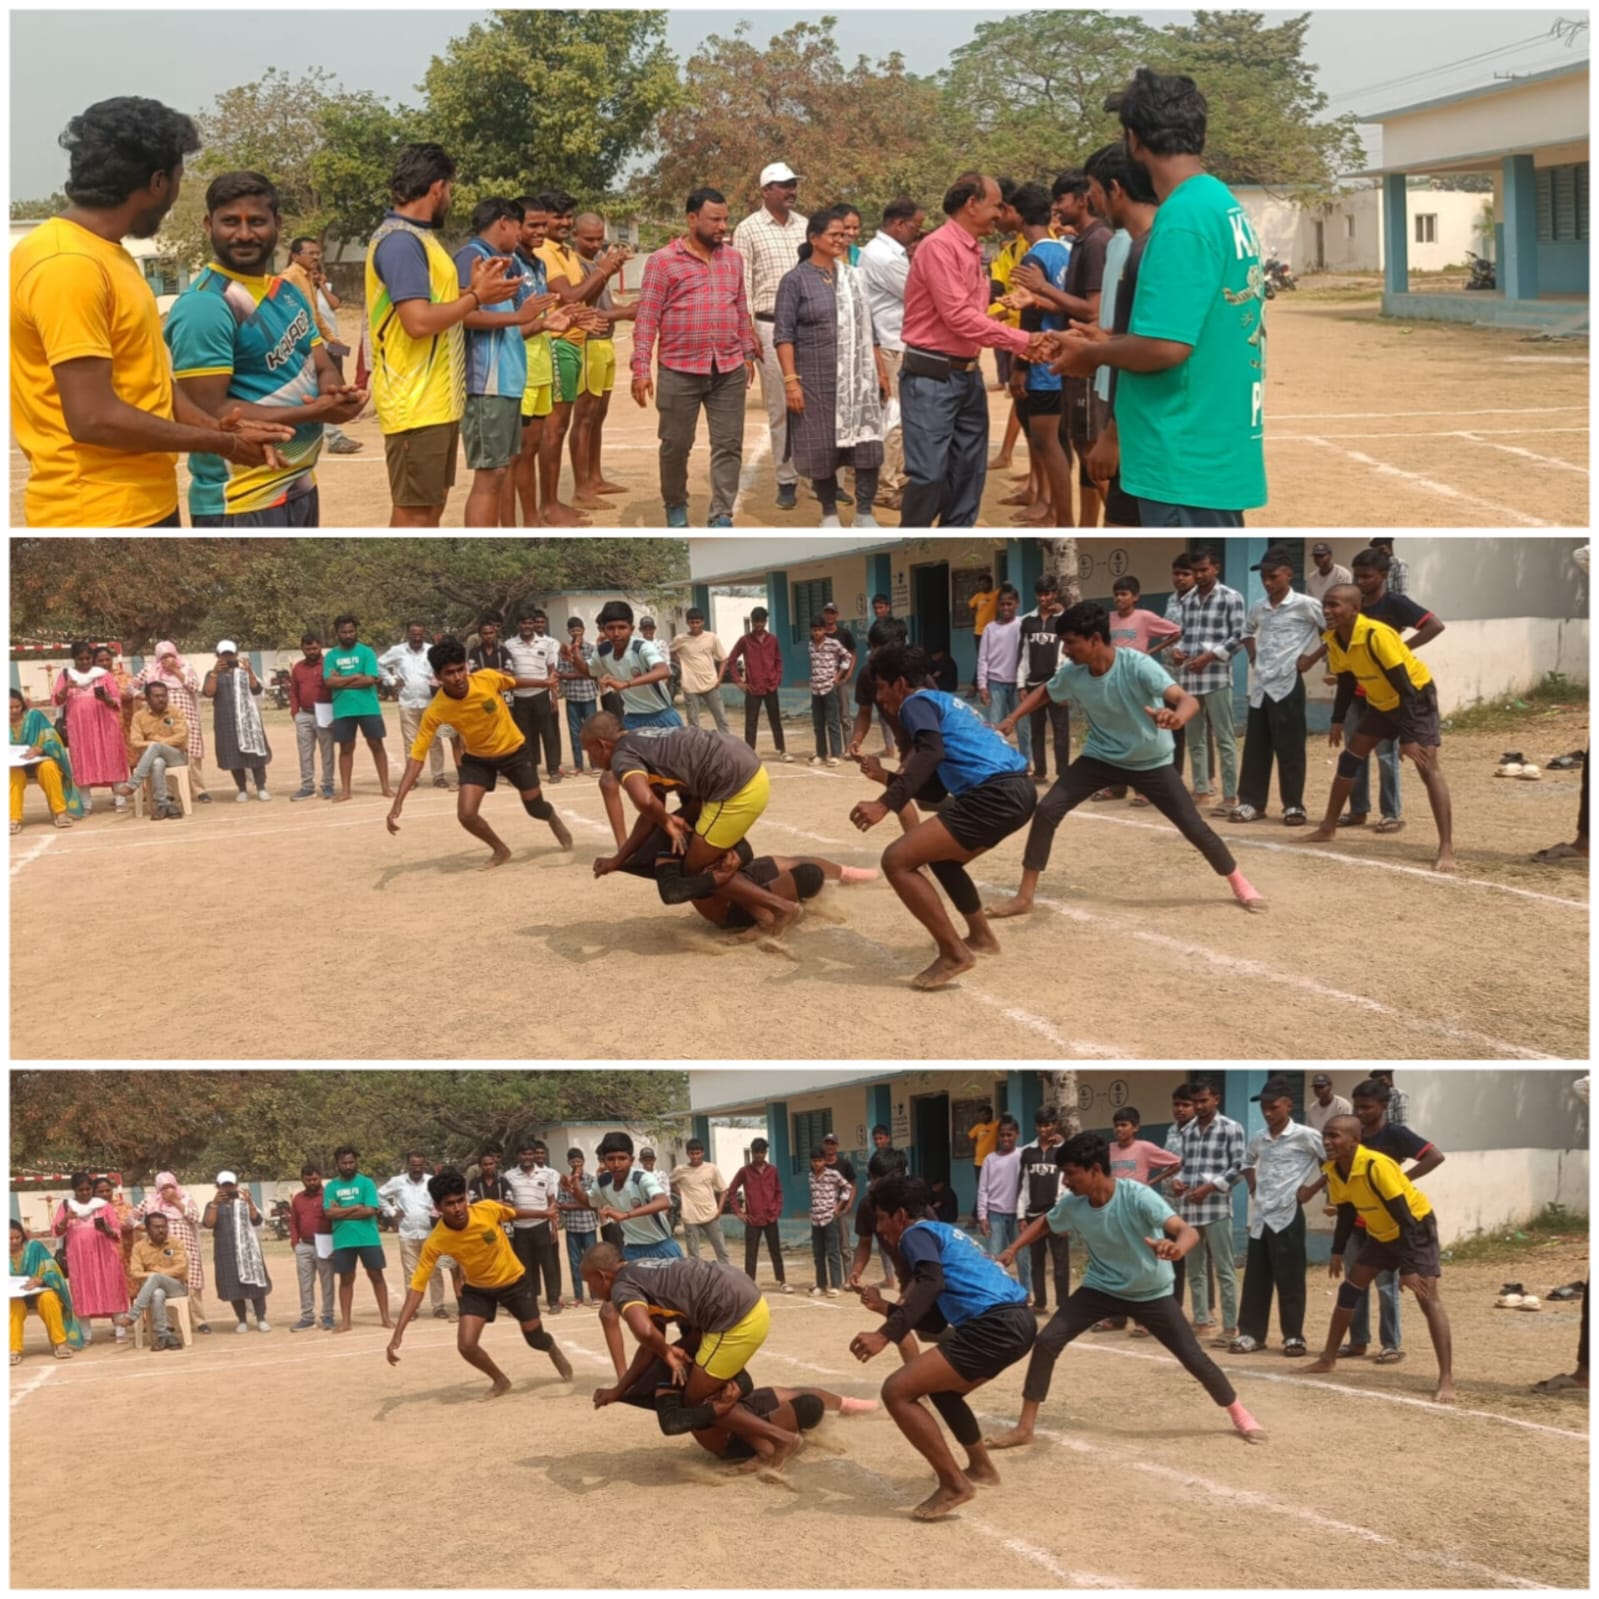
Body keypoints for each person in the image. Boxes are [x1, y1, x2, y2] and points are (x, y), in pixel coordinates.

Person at [10, 96, 293, 526]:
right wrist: (223, 447)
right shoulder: (67, 265)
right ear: (159, 181)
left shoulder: (106, 254)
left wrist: (216, 430)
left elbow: (147, 380)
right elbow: (93, 418)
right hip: (97, 514)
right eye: (179, 180)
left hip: (144, 502)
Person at [1047, 70, 1266, 527]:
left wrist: (1093, 354)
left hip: (1182, 456)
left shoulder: (1181, 220)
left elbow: (1166, 347)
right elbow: (1190, 326)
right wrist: (1108, 340)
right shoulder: (1219, 203)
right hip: (1211, 447)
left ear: (1134, 140)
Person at [984, 1134, 1265, 1450]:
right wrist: (1010, 1249)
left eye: (1071, 1173)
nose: (1065, 1181)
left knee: (1192, 1356)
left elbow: (1186, 1231)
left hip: (1151, 1291)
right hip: (1100, 1287)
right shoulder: (1075, 1205)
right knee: (1047, 1341)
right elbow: (1046, 1222)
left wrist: (1176, 1248)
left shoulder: (1137, 1196)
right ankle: (1025, 1427)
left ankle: (1239, 1413)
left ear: (1094, 1170)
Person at [987, 602, 1264, 919]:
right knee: (1048, 810)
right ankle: (1025, 897)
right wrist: (1011, 718)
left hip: (1151, 760)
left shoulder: (1137, 665)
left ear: (1094, 639)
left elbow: (1186, 700)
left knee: (1192, 825)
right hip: (1100, 757)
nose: (1065, 651)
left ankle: (1239, 882)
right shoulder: (1075, 673)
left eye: (1070, 643)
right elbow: (1047, 691)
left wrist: (1176, 718)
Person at [164, 171, 365, 526]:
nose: (244, 234)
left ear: (277, 224)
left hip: (300, 485)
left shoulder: (286, 292)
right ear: (208, 225)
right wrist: (315, 411)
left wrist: (336, 395)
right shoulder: (206, 305)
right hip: (241, 501)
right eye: (230, 222)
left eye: (256, 221)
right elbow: (210, 410)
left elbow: (320, 364)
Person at [849, 1175, 1038, 1520]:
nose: (881, 1229)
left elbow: (931, 1283)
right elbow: (934, 1323)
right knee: (943, 1390)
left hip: (994, 1325)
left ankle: (954, 1484)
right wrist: (885, 1308)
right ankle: (980, 1468)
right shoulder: (943, 1234)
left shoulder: (914, 1235)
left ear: (901, 1214)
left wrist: (884, 1334)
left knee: (896, 1391)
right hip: (1018, 1322)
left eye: (881, 1219)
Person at [851, 644, 1038, 987]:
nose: (879, 698)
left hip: (994, 794)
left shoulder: (915, 704)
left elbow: (931, 753)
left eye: (881, 687)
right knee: (943, 859)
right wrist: (885, 777)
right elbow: (934, 792)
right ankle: (981, 938)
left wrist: (885, 803)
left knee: (896, 860)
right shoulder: (943, 704)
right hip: (1018, 792)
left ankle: (954, 953)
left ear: (901, 683)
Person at [364, 143, 519, 527]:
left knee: (429, 511)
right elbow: (417, 322)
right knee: (415, 516)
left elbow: (436, 308)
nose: (449, 197)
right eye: (449, 189)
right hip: (414, 404)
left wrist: (473, 293)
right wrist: (476, 298)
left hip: (436, 402)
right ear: (437, 187)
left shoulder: (421, 239)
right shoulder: (402, 242)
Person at [897, 175, 1043, 527]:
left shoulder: (971, 249)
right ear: (971, 204)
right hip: (932, 376)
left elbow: (969, 314)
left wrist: (1012, 304)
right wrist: (1025, 341)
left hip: (966, 375)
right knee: (929, 475)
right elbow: (959, 318)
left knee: (968, 474)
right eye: (996, 205)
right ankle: (913, 536)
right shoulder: (939, 247)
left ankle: (952, 536)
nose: (1001, 213)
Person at [584, 1244, 800, 1466]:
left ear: (602, 1276)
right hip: (744, 1299)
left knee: (696, 1399)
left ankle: (781, 1439)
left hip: (736, 1317)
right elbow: (651, 1342)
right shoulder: (639, 1269)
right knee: (706, 1391)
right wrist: (619, 1390)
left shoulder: (622, 1287)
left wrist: (667, 1352)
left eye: (588, 1282)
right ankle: (763, 1448)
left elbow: (645, 1332)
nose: (590, 1290)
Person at [585, 714, 799, 935]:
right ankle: (763, 915)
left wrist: (667, 822)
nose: (589, 758)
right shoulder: (639, 738)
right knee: (706, 858)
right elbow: (651, 812)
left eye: (587, 751)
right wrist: (618, 859)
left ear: (600, 745)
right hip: (745, 768)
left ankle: (781, 908)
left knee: (696, 867)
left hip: (736, 786)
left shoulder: (622, 757)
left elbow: (645, 801)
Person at [1304, 585, 1455, 872]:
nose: (1327, 611)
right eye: (1325, 605)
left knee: (1427, 765)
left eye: (1334, 605)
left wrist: (1407, 738)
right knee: (1349, 759)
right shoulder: (1333, 639)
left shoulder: (1377, 634)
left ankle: (1446, 847)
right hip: (1382, 701)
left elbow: (1408, 690)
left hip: (1416, 697)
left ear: (1354, 609)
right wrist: (1337, 719)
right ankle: (1327, 828)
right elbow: (1347, 681)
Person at [630, 188, 758, 528]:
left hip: (727, 368)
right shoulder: (662, 261)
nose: (722, 227)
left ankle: (722, 514)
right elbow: (646, 319)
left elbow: (740, 308)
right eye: (714, 219)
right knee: (675, 445)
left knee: (729, 445)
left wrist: (747, 352)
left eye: (725, 219)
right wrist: (641, 368)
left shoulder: (733, 259)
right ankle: (675, 505)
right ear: (691, 219)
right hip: (679, 370)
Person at [386, 637, 572, 869]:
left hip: (513, 750)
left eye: (460, 669)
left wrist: (545, 683)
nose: (457, 677)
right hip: (478, 759)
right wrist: (398, 801)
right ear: (438, 676)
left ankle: (552, 817)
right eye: (449, 673)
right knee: (466, 814)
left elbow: (512, 682)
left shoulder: (486, 679)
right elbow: (417, 757)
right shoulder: (436, 709)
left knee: (535, 808)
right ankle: (500, 849)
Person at [386, 1170, 573, 1397]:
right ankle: (500, 1380)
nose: (457, 1208)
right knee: (466, 1345)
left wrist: (544, 1213)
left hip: (513, 1281)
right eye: (449, 1204)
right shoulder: (436, 1240)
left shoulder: (486, 1210)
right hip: (478, 1290)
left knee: (535, 1339)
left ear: (466, 1197)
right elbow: (416, 1289)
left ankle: (551, 1348)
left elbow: (512, 1213)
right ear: (437, 1206)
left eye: (460, 1200)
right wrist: (398, 1333)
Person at [1306, 1116, 1454, 1403]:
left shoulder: (1376, 1165)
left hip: (1416, 1227)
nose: (1327, 1141)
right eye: (1325, 1135)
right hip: (1382, 1231)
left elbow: (1407, 1220)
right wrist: (1337, 1250)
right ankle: (1327, 1359)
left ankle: (1446, 1377)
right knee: (1349, 1290)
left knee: (1427, 1296)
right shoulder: (1333, 1170)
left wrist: (1408, 1269)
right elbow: (1347, 1212)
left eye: (1334, 1136)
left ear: (1355, 1141)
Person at [454, 197, 569, 527]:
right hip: (486, 381)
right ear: (505, 222)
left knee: (500, 470)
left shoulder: (501, 261)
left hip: (506, 380)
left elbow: (512, 325)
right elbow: (463, 314)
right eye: (521, 225)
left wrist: (543, 323)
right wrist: (519, 317)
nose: (521, 234)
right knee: (489, 477)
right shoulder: (471, 257)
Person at [774, 210, 887, 528]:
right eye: (834, 235)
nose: (842, 239)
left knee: (866, 446)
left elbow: (870, 329)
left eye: (845, 235)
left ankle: (864, 512)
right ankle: (828, 513)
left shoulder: (853, 277)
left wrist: (879, 370)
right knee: (821, 446)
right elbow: (783, 335)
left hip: (858, 379)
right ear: (813, 239)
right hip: (815, 379)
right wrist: (791, 382)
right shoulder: (795, 281)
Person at [1334, 547, 1446, 834]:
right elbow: (1342, 656)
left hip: (1401, 689)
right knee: (1354, 753)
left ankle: (1391, 813)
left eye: (1367, 576)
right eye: (1357, 576)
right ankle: (1356, 811)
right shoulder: (1351, 606)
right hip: (1367, 692)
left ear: (1384, 576)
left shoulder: (1394, 604)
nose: (1361, 581)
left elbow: (1435, 625)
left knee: (1392, 756)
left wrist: (1401, 650)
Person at [536, 192, 619, 525]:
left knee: (578, 421)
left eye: (567, 216)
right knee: (555, 429)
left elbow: (585, 300)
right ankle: (553, 502)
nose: (564, 222)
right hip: (558, 344)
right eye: (558, 217)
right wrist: (602, 271)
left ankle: (562, 497)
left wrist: (604, 275)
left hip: (576, 342)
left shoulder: (565, 253)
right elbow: (568, 297)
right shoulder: (545, 253)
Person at [1227, 1079, 1325, 1355]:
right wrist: (1253, 1185)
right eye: (1264, 1108)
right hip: (1261, 1218)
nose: (1268, 1113)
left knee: (1290, 1278)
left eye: (1273, 1107)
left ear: (1288, 1105)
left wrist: (1312, 1189)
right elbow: (1246, 1162)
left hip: (1288, 1215)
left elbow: (1333, 1161)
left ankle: (1293, 1336)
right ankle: (1251, 1334)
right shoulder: (1259, 1138)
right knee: (1256, 1278)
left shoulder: (1306, 1135)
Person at [730, 162, 806, 513]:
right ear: (765, 190)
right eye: (783, 185)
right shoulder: (748, 229)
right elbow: (741, 283)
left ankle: (821, 477)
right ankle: (786, 478)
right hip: (769, 325)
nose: (790, 190)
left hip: (809, 325)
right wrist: (747, 332)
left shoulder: (806, 226)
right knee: (780, 406)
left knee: (818, 402)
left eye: (793, 185)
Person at [1230, 547, 1325, 825]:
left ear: (1288, 574)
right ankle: (1251, 803)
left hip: (1288, 684)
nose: (1268, 582)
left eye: (1273, 576)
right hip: (1261, 687)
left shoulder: (1306, 605)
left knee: (1290, 747)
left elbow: (1333, 631)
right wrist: (1252, 654)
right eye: (1264, 578)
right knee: (1255, 748)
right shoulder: (1259, 607)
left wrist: (1311, 658)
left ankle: (1293, 805)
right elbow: (1247, 632)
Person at [858, 197, 925, 509]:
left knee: (892, 416)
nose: (916, 234)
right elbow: (920, 295)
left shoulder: (879, 251)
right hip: (891, 344)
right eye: (915, 227)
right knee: (893, 418)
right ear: (899, 223)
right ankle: (885, 487)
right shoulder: (887, 258)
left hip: (891, 342)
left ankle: (892, 477)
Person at [1166, 547, 1244, 815]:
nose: (1199, 575)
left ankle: (1230, 796)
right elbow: (1185, 636)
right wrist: (1179, 653)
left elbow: (1239, 638)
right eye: (1196, 570)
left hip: (1216, 677)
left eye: (1203, 570)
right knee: (1194, 737)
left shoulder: (1231, 598)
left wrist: (1210, 656)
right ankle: (1201, 791)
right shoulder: (1186, 601)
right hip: (1189, 677)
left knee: (1223, 738)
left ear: (1216, 569)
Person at [1168, 1081, 1244, 1342]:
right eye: (1196, 1102)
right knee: (1195, 1268)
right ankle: (1201, 1321)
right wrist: (1177, 1181)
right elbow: (1184, 1165)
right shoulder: (1187, 1132)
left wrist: (1210, 1187)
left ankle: (1230, 1327)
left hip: (1217, 1208)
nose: (1199, 1106)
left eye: (1204, 1101)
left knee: (1224, 1269)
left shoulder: (1231, 1128)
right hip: (1190, 1209)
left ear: (1216, 1100)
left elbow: (1239, 1169)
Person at [281, 235, 362, 455]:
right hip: (302, 345)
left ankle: (328, 435)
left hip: (316, 341)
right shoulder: (289, 278)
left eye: (318, 253)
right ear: (295, 256)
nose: (316, 257)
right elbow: (291, 315)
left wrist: (333, 339)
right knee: (319, 389)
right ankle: (331, 437)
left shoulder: (309, 279)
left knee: (322, 387)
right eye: (311, 253)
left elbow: (315, 314)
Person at [51, 1173, 130, 1342]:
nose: (85, 1193)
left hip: (105, 1255)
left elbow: (116, 1231)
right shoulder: (66, 1207)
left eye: (88, 1189)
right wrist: (66, 1219)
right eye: (81, 1190)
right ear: (74, 1190)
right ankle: (86, 1335)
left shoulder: (103, 1206)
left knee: (112, 1289)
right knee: (83, 1292)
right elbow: (56, 1231)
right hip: (79, 1258)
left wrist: (106, 1229)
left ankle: (120, 1332)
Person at [130, 1171, 211, 1333]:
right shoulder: (151, 1202)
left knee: (192, 1287)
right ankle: (169, 1324)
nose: (167, 1191)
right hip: (160, 1250)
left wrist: (175, 1201)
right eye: (163, 1188)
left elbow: (195, 1218)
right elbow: (131, 1217)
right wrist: (140, 1227)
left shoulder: (185, 1199)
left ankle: (199, 1321)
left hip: (186, 1249)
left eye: (170, 1187)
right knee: (161, 1286)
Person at [52, 641, 129, 809]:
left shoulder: (103, 675)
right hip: (79, 727)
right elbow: (57, 700)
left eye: (88, 658)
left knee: (112, 758)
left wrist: (105, 698)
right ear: (74, 659)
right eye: (81, 659)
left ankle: (120, 800)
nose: (85, 662)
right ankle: (86, 804)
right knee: (83, 760)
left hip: (106, 724)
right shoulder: (66, 675)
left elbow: (116, 700)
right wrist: (66, 688)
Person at [322, 615, 390, 803]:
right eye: (344, 632)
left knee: (376, 745)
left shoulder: (366, 652)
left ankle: (385, 787)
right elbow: (329, 682)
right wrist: (355, 677)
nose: (348, 635)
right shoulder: (331, 656)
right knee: (346, 748)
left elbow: (370, 679)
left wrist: (341, 680)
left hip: (368, 707)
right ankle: (345, 791)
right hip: (343, 709)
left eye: (351, 631)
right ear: (337, 633)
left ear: (356, 631)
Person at [324, 1146, 392, 1333]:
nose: (348, 1166)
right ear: (337, 1164)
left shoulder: (366, 1183)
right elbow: (329, 1213)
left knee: (376, 1275)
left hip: (368, 1239)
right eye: (344, 1162)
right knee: (346, 1279)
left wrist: (342, 1211)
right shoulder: (331, 1186)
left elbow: (370, 1210)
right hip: (343, 1240)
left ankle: (386, 1318)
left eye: (351, 1162)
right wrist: (355, 1207)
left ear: (356, 1162)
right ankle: (346, 1322)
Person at [379, 1152, 452, 1323]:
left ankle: (438, 1306)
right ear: (408, 1165)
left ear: (425, 1165)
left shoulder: (432, 1181)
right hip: (407, 1232)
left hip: (430, 1233)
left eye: (420, 1165)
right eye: (413, 1165)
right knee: (411, 1273)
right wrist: (391, 1212)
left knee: (435, 1271)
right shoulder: (398, 1181)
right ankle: (413, 1308)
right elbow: (379, 1195)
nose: (417, 1168)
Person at [133, 643, 212, 800]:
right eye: (163, 657)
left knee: (192, 755)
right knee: (163, 751)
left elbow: (194, 687)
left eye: (171, 656)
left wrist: (175, 671)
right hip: (160, 718)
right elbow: (131, 686)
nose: (167, 659)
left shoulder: (185, 668)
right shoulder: (150, 670)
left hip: (187, 717)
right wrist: (140, 695)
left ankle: (199, 790)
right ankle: (169, 793)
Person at [589, 1131, 681, 1262]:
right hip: (633, 1248)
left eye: (621, 1158)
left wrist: (626, 1215)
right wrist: (574, 1187)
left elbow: (664, 1202)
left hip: (661, 1245)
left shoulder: (642, 1178)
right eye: (611, 1159)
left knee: (673, 1281)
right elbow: (589, 1201)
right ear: (603, 1161)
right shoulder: (603, 1182)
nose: (616, 1164)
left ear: (631, 1160)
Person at [375, 623, 447, 791]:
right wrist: (391, 680)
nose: (417, 638)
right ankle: (413, 777)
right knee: (411, 743)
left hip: (430, 702)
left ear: (424, 634)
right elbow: (379, 664)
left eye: (420, 634)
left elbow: (441, 668)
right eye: (413, 634)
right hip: (407, 702)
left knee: (434, 740)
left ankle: (439, 776)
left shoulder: (432, 650)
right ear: (407, 634)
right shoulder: (397, 650)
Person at [592, 600, 681, 730]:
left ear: (632, 629)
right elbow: (591, 670)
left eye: (621, 627)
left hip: (660, 713)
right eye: (610, 628)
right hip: (632, 715)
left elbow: (664, 671)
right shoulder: (604, 651)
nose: (616, 633)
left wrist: (626, 684)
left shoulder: (643, 646)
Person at [1017, 578, 1070, 785]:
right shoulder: (1027, 621)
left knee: (1061, 731)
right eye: (1040, 594)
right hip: (1033, 685)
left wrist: (1067, 686)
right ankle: (1040, 771)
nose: (1044, 598)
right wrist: (1021, 684)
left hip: (1058, 684)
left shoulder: (1064, 620)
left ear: (1055, 594)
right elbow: (1022, 654)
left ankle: (1063, 773)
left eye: (1048, 594)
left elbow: (1069, 654)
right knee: (1036, 731)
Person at [203, 1172, 271, 1333]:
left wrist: (249, 1203)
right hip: (226, 1251)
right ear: (218, 1187)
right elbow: (208, 1223)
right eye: (223, 1186)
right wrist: (214, 1204)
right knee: (234, 1285)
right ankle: (242, 1320)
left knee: (255, 1285)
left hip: (248, 1250)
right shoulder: (212, 1205)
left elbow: (257, 1220)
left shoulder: (244, 1202)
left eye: (230, 1185)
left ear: (236, 1185)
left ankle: (261, 1318)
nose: (228, 1188)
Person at [9, 1220, 84, 1363]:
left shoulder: (35, 1248)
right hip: (13, 1296)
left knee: (48, 1298)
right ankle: (13, 1349)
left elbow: (53, 1270)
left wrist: (41, 1279)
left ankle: (60, 1343)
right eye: (9, 1239)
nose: (14, 1242)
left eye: (17, 1237)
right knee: (13, 1305)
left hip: (38, 1291)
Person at [9, 688, 83, 833]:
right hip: (14, 765)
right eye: (9, 708)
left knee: (49, 767)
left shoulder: (34, 717)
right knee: (12, 774)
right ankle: (13, 818)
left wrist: (40, 748)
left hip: (39, 760)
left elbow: (53, 740)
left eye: (17, 706)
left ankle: (60, 812)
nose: (14, 711)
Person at [504, 1140, 565, 1314]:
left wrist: (554, 1227)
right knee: (524, 1267)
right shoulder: (509, 1175)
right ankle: (528, 1300)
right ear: (518, 1156)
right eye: (523, 1154)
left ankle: (553, 1300)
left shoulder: (546, 1174)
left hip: (541, 1226)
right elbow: (509, 1204)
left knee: (548, 1264)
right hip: (519, 1227)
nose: (527, 1157)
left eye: (530, 1154)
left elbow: (552, 1201)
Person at [1018, 1108, 1069, 1313]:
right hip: (1033, 1215)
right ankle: (1040, 1303)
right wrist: (1021, 1215)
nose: (1044, 1129)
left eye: (1047, 1125)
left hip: (1057, 1214)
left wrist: (1067, 1217)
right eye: (1040, 1125)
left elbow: (1068, 1185)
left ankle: (1063, 1304)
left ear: (1055, 1125)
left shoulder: (1064, 1151)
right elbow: (1022, 1185)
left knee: (1061, 1262)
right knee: (1036, 1261)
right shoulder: (1027, 1152)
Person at [115, 1213, 189, 1350]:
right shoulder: (139, 1247)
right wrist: (155, 1276)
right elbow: (135, 1273)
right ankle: (162, 1334)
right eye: (156, 1227)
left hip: (176, 1286)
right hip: (151, 1289)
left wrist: (157, 1275)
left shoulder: (176, 1243)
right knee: (157, 1293)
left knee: (155, 1278)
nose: (161, 1230)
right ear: (147, 1229)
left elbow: (181, 1267)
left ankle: (133, 1315)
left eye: (164, 1227)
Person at [114, 681, 188, 818]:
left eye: (164, 696)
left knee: (156, 747)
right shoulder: (139, 716)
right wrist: (156, 746)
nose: (161, 699)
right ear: (147, 698)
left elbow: (181, 736)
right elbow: (135, 742)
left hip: (176, 755)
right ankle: (162, 803)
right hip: (152, 758)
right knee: (157, 762)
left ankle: (133, 784)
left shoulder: (175, 712)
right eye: (157, 696)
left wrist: (158, 744)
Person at [507, 608, 565, 780]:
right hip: (520, 697)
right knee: (525, 736)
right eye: (523, 623)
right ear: (518, 625)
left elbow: (552, 670)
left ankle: (553, 769)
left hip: (541, 695)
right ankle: (529, 769)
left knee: (548, 733)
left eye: (530, 622)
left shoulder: (546, 643)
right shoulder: (509, 645)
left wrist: (554, 696)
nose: (527, 626)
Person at [723, 608, 788, 759]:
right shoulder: (745, 640)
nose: (759, 625)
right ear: (752, 621)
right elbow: (731, 660)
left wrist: (777, 678)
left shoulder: (773, 640)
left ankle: (781, 750)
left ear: (766, 621)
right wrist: (738, 681)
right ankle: (749, 752)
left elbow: (778, 661)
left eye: (762, 621)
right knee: (751, 721)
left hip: (770, 686)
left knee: (775, 719)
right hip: (752, 687)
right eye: (756, 621)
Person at [724, 1139, 787, 1290]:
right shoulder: (745, 1171)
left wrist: (777, 1209)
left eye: (762, 1152)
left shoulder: (773, 1170)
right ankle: (749, 1282)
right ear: (752, 1153)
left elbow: (778, 1191)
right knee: (751, 1252)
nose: (759, 1155)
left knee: (775, 1250)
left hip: (770, 1217)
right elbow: (731, 1191)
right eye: (756, 1152)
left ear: (766, 1153)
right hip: (752, 1218)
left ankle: (782, 1280)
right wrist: (738, 1212)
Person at [976, 586, 1028, 765]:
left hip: (1018, 685)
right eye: (1003, 604)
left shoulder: (1022, 624)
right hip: (995, 683)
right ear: (998, 606)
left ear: (1017, 604)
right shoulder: (990, 628)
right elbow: (983, 658)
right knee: (995, 726)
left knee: (1022, 727)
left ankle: (1026, 761)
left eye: (1010, 604)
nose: (1006, 608)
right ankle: (995, 762)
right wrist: (982, 685)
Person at [975, 1117, 1027, 1291]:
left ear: (1017, 1135)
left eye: (1009, 1135)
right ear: (998, 1137)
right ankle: (997, 1292)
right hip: (995, 1214)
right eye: (1002, 1135)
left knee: (1022, 1257)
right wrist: (982, 1216)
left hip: (1018, 1215)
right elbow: (983, 1189)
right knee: (996, 1257)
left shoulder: (1023, 1155)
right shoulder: (990, 1159)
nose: (1006, 1139)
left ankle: (1026, 1292)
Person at [287, 632, 337, 800]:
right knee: (305, 752)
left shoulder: (328, 664)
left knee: (327, 751)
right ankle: (307, 786)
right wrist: (295, 712)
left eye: (315, 648)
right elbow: (293, 691)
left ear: (320, 647)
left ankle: (328, 785)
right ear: (302, 649)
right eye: (308, 649)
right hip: (304, 714)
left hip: (325, 713)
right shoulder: (298, 668)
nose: (311, 652)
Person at [287, 1162, 336, 1332]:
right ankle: (307, 1317)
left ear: (320, 1178)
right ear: (302, 1180)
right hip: (304, 1245)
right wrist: (295, 1242)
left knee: (327, 1282)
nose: (312, 1183)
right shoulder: (298, 1199)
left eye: (315, 1179)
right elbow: (293, 1222)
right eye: (308, 1180)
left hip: (325, 1243)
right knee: (305, 1283)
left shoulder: (329, 1195)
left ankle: (328, 1316)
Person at [672, 610, 730, 734]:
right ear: (687, 623)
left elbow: (724, 659)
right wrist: (682, 663)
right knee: (693, 724)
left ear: (702, 622)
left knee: (721, 719)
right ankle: (695, 749)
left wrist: (719, 679)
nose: (695, 625)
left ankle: (727, 746)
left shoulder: (711, 637)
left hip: (711, 684)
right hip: (690, 685)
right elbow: (670, 652)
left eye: (697, 622)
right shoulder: (680, 639)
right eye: (692, 622)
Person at [672, 1142, 730, 1264]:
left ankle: (727, 1276)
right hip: (690, 1216)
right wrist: (682, 1194)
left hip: (711, 1215)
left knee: (721, 1250)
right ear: (687, 1154)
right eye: (692, 1154)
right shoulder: (680, 1170)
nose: (695, 1156)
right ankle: (695, 1279)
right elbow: (670, 1183)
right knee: (693, 1255)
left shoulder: (711, 1168)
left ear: (702, 1153)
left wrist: (719, 1210)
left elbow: (724, 1190)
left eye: (697, 1153)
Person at [556, 619, 600, 774]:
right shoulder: (563, 650)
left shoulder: (590, 649)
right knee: (575, 731)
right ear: (568, 632)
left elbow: (592, 670)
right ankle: (578, 765)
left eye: (578, 630)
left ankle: (595, 764)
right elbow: (560, 673)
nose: (576, 633)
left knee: (592, 730)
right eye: (573, 630)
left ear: (584, 631)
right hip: (572, 696)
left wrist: (578, 672)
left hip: (588, 695)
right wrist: (579, 674)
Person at [556, 1151, 600, 1307]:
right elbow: (561, 1204)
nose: (576, 1164)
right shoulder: (563, 1182)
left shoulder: (590, 1180)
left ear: (583, 1161)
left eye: (579, 1161)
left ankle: (595, 1295)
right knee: (575, 1262)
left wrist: (580, 1202)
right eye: (573, 1161)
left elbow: (592, 1201)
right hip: (572, 1227)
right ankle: (578, 1296)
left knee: (592, 1261)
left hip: (588, 1226)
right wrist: (581, 1205)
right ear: (569, 1162)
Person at [806, 615, 851, 764]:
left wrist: (838, 675)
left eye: (819, 630)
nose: (817, 633)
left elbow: (847, 657)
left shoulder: (833, 644)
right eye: (814, 630)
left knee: (833, 721)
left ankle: (836, 754)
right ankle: (821, 753)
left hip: (829, 687)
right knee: (818, 723)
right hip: (815, 689)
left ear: (824, 630)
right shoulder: (810, 645)